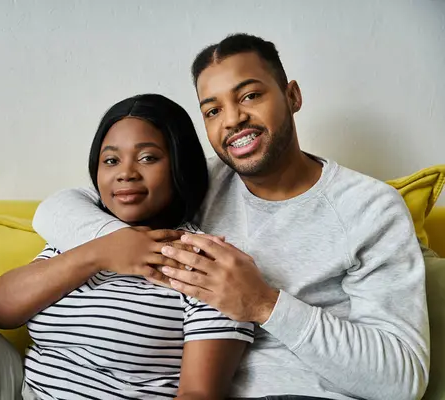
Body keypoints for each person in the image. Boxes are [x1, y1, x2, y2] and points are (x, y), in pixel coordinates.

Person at [32, 34, 430, 400]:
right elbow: (60, 207)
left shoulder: (369, 207)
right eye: (212, 110)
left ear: (292, 96)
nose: (233, 119)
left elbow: (402, 378)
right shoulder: (203, 181)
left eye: (250, 95)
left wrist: (263, 304)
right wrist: (118, 243)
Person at [0, 94, 252, 400]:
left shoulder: (205, 262)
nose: (125, 173)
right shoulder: (82, 233)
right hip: (20, 390)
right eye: (111, 161)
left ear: (180, 165)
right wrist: (100, 251)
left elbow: (199, 395)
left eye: (147, 158)